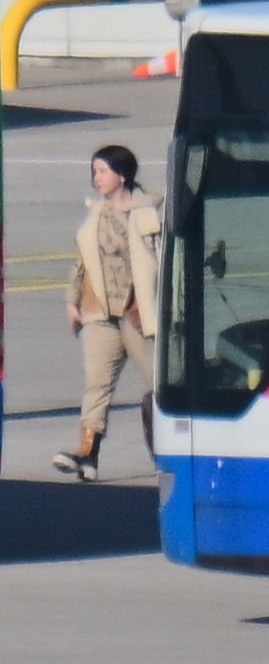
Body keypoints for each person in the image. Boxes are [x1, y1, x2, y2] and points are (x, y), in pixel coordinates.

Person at [54, 144, 161, 482]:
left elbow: (166, 262)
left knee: (161, 384)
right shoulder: (95, 214)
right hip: (99, 311)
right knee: (96, 385)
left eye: (102, 171)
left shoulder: (150, 213)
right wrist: (73, 300)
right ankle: (87, 453)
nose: (96, 177)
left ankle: (168, 449)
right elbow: (81, 262)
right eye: (95, 171)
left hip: (137, 314)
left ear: (122, 175)